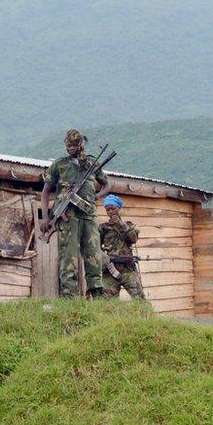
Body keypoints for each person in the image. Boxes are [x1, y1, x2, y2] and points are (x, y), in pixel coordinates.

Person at [40, 129, 110, 298]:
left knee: (93, 255)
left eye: (73, 145)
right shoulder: (59, 164)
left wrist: (96, 196)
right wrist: (46, 217)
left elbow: (107, 185)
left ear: (80, 145)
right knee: (68, 258)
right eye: (67, 145)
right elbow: (45, 193)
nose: (69, 149)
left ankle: (97, 294)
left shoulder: (91, 163)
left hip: (89, 216)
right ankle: (69, 298)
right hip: (68, 217)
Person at [99, 194, 146, 300]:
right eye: (108, 209)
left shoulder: (129, 226)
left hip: (127, 269)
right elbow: (95, 246)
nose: (111, 211)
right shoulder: (103, 228)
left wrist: (120, 224)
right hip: (110, 270)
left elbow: (133, 239)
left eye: (113, 208)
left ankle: (145, 316)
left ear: (119, 209)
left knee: (139, 298)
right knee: (107, 301)